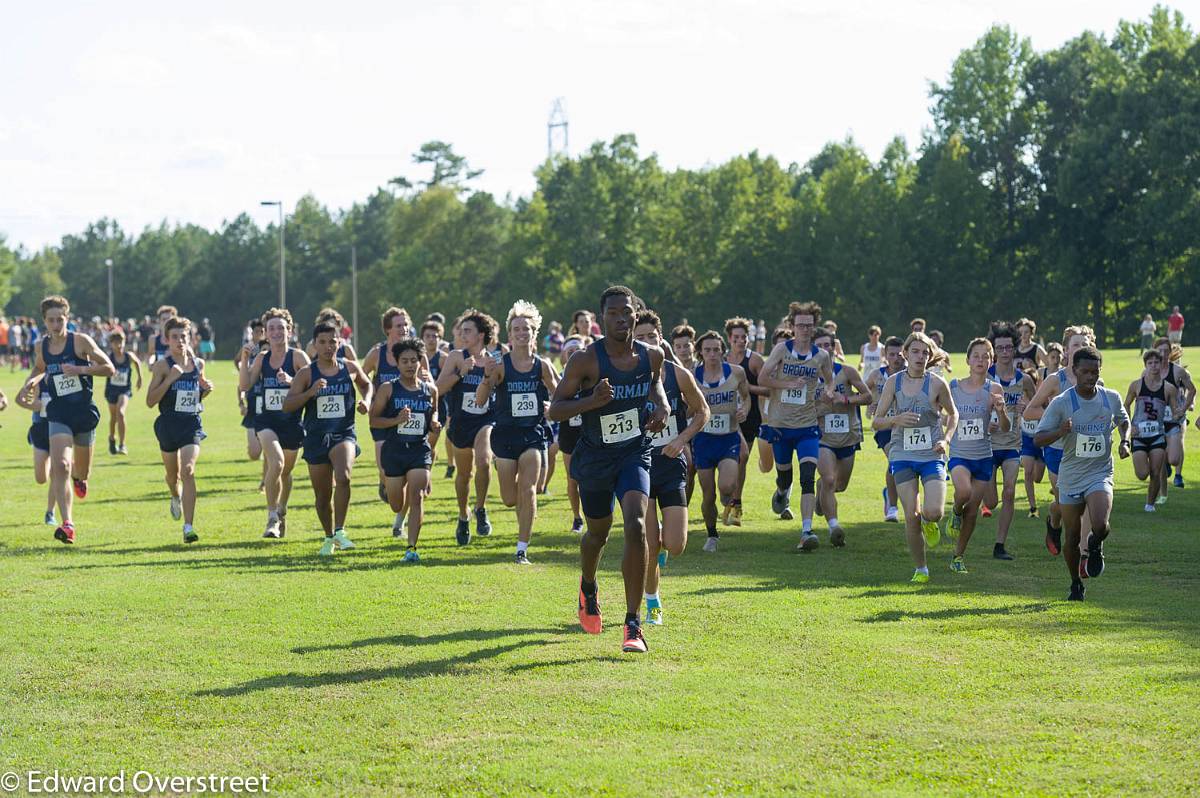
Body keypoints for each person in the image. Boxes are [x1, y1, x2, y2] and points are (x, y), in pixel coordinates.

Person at [548, 285, 669, 654]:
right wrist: (591, 401)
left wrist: (661, 407)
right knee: (598, 533)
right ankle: (588, 585)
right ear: (603, 319)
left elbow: (657, 387)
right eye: (613, 312)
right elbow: (555, 410)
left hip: (634, 452)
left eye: (627, 311)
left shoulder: (652, 356)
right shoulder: (585, 360)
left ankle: (632, 624)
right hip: (595, 458)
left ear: (636, 313)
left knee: (635, 524)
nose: (621, 318)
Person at [1033, 346, 1130, 601]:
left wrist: (1125, 441)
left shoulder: (1110, 397)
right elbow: (1038, 439)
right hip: (1072, 476)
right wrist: (1061, 431)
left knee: (1100, 524)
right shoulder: (1062, 403)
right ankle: (1076, 582)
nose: (1090, 376)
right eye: (1085, 372)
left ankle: (1096, 545)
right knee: (1072, 538)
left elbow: (1123, 419)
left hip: (1100, 472)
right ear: (1074, 371)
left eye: (1094, 372)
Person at [633, 310, 707, 624]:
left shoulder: (678, 375)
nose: (648, 343)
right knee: (648, 542)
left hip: (672, 463)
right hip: (640, 465)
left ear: (661, 339)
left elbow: (703, 411)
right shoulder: (629, 377)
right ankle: (653, 603)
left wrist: (683, 438)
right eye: (641, 338)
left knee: (674, 545)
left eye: (653, 337)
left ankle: (662, 545)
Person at [22, 295, 115, 545]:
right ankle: (68, 524)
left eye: (60, 319)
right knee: (61, 465)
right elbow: (39, 368)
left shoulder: (80, 341)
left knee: (80, 470)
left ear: (67, 318)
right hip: (58, 412)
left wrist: (82, 369)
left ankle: (80, 478)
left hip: (83, 412)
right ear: (44, 321)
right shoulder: (42, 346)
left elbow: (109, 368)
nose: (56, 324)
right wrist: (30, 381)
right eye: (51, 320)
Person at [474, 301, 559, 563]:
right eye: (517, 329)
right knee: (510, 499)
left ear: (535, 334)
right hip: (505, 434)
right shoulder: (500, 363)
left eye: (527, 329)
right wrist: (487, 378)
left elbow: (560, 393)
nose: (522, 333)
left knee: (529, 489)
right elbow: (479, 400)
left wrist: (551, 407)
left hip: (533, 433)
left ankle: (522, 548)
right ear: (510, 335)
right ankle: (522, 519)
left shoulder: (542, 365)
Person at [871, 332, 958, 583]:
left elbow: (953, 415)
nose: (921, 357)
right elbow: (876, 421)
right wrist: (895, 420)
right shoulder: (893, 383)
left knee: (933, 512)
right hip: (902, 453)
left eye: (925, 353)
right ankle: (921, 569)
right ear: (906, 354)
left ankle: (931, 522)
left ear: (930, 356)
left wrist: (946, 440)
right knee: (911, 515)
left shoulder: (937, 384)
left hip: (931, 453)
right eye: (916, 352)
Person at [284, 320, 373, 556]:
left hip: (344, 433)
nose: (328, 347)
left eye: (332, 341)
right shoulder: (306, 373)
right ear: (314, 345)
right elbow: (288, 405)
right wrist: (310, 392)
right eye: (322, 342)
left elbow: (367, 385)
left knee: (343, 476)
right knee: (322, 497)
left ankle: (341, 530)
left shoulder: (350, 367)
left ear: (340, 342)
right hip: (315, 438)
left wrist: (367, 401)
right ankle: (328, 537)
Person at [757, 301, 837, 550]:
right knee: (785, 476)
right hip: (780, 425)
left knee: (807, 477)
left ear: (814, 327)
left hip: (807, 426)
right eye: (800, 325)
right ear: (792, 326)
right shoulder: (782, 350)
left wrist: (828, 393)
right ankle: (781, 492)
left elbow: (830, 380)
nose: (804, 329)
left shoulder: (821, 356)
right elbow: (763, 378)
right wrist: (786, 385)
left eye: (809, 325)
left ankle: (807, 531)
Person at [1023, 325, 1096, 556]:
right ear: (1066, 350)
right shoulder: (1056, 380)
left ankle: (1085, 553)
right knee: (1065, 502)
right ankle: (1053, 521)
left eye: (1085, 344)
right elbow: (1029, 411)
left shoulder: (1097, 380)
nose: (1080, 348)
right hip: (1057, 450)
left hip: (1083, 451)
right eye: (1076, 345)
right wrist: (1057, 418)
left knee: (1084, 501)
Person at [435, 309, 504, 545]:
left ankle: (480, 508)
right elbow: (438, 389)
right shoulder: (455, 356)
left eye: (468, 331)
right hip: (460, 422)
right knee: (464, 474)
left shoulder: (495, 360)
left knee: (484, 461)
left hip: (485, 420)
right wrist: (459, 373)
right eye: (461, 331)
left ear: (482, 335)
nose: (462, 334)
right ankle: (463, 515)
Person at [369, 338, 439, 562]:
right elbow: (373, 420)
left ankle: (412, 548)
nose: (410, 365)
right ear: (397, 363)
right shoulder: (388, 389)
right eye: (405, 361)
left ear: (420, 362)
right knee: (396, 504)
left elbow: (433, 414)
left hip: (419, 449)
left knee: (417, 496)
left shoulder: (430, 390)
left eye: (414, 361)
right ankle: (388, 486)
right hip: (394, 451)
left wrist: (434, 424)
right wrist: (396, 420)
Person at [241, 308, 308, 539]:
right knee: (276, 464)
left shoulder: (298, 357)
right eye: (271, 328)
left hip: (292, 422)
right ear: (265, 335)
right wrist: (244, 360)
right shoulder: (262, 358)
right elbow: (246, 385)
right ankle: (271, 517)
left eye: (281, 327)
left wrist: (292, 381)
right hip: (267, 420)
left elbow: (315, 386)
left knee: (286, 472)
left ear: (289, 331)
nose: (276, 332)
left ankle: (282, 510)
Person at [944, 338, 1009, 573]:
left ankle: (958, 557)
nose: (980, 360)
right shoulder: (953, 387)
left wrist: (1001, 411)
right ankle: (954, 511)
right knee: (963, 492)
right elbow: (944, 416)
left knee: (973, 511)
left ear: (990, 361)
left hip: (983, 456)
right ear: (968, 360)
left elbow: (1006, 427)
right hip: (960, 453)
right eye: (976, 356)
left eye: (985, 356)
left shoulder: (994, 389)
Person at [145, 317, 212, 543]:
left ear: (190, 338)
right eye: (174, 337)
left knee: (188, 470)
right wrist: (169, 380)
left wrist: (205, 390)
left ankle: (188, 526)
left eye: (183, 336)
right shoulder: (163, 366)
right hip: (168, 425)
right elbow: (150, 401)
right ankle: (175, 495)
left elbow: (196, 393)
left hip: (191, 424)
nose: (179, 341)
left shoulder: (198, 363)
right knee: (173, 477)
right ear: (167, 339)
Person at [692, 331, 750, 551]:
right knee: (708, 494)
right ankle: (712, 534)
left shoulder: (736, 373)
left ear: (723, 351)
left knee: (726, 486)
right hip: (703, 440)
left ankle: (729, 499)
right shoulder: (692, 376)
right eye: (707, 350)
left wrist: (744, 410)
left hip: (728, 438)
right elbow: (686, 405)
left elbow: (746, 397)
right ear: (700, 352)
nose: (712, 354)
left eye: (716, 349)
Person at [813, 328, 870, 545]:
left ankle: (823, 491)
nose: (825, 350)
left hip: (848, 437)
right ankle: (834, 527)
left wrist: (845, 400)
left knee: (840, 485)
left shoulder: (847, 372)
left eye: (828, 345)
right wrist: (818, 407)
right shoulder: (807, 376)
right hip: (821, 437)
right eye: (820, 346)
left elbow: (868, 396)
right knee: (828, 479)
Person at [985, 321, 1037, 557]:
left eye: (1008, 347)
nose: (1005, 352)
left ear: (1014, 349)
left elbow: (1036, 405)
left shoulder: (1024, 380)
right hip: (987, 444)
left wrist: (1027, 406)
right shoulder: (986, 378)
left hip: (1013, 444)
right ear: (994, 351)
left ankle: (999, 545)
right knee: (991, 500)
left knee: (1008, 492)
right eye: (1000, 348)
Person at [362, 308, 421, 502]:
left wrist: (426, 378)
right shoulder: (377, 353)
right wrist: (369, 396)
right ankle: (384, 480)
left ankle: (403, 505)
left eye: (406, 324)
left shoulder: (416, 353)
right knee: (384, 467)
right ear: (388, 329)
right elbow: (362, 377)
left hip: (408, 417)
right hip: (381, 417)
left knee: (407, 467)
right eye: (399, 325)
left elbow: (426, 383)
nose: (404, 328)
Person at [724, 317, 766, 527]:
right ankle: (726, 500)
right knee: (724, 462)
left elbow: (769, 389)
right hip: (723, 417)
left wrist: (747, 388)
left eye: (744, 337)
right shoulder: (719, 359)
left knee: (741, 460)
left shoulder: (755, 361)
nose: (741, 341)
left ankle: (736, 504)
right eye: (737, 337)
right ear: (729, 338)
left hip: (748, 417)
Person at [1125, 349, 1176, 512]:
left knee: (1155, 471)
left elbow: (1175, 411)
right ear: (1145, 365)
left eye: (1156, 362)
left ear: (1161, 365)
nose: (1154, 366)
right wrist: (1129, 425)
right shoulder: (1136, 385)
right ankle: (1142, 465)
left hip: (1157, 436)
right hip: (1139, 434)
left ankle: (1150, 504)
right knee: (1142, 474)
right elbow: (1126, 404)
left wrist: (1181, 411)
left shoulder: (1169, 388)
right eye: (1150, 363)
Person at [866, 336, 906, 522]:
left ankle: (892, 495)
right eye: (892, 354)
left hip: (906, 426)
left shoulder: (910, 374)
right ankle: (892, 507)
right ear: (885, 355)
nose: (896, 358)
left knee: (905, 465)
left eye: (899, 354)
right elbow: (863, 393)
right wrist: (870, 404)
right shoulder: (876, 376)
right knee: (894, 459)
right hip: (884, 427)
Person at [14, 377, 58, 525]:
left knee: (57, 473)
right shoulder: (36, 380)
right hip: (41, 429)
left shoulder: (64, 373)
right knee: (41, 478)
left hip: (60, 428)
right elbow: (18, 400)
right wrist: (33, 406)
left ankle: (50, 512)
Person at [1156, 338, 1194, 493]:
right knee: (1162, 446)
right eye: (1160, 351)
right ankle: (1165, 466)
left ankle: (1178, 475)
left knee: (1178, 445)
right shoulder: (1151, 369)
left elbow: (1192, 390)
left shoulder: (1179, 372)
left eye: (1166, 351)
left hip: (1176, 416)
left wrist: (1185, 407)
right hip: (1158, 418)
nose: (1164, 354)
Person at [236, 319, 268, 492]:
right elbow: (241, 386)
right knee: (254, 454)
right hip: (253, 410)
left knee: (270, 452)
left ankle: (265, 481)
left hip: (270, 413)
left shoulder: (276, 364)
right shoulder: (254, 361)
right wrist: (241, 402)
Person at [103, 328, 142, 455]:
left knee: (121, 413)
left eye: (120, 342)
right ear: (111, 344)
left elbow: (137, 362)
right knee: (113, 417)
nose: (118, 345)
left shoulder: (128, 356)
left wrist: (140, 378)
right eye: (115, 342)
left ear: (124, 342)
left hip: (124, 389)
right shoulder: (109, 357)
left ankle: (122, 444)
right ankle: (111, 438)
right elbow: (100, 365)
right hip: (111, 390)